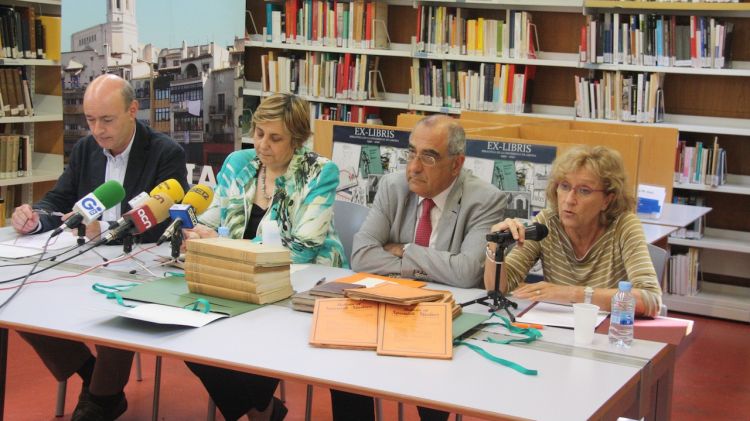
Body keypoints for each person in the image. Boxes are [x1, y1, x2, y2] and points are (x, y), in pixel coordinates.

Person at [11, 74, 188, 420]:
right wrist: (36, 217)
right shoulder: (85, 149)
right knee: (21, 305)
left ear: (132, 110)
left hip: (138, 267)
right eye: (90, 120)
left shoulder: (166, 153)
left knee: (117, 317)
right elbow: (60, 199)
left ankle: (101, 401)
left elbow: (164, 225)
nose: (97, 130)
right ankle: (94, 376)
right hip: (83, 263)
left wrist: (105, 228)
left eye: (106, 120)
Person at [182, 93, 345, 421]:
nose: (262, 145)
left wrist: (226, 246)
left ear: (297, 140)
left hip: (301, 283)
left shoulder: (319, 172)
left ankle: (261, 411)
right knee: (189, 339)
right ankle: (265, 410)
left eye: (275, 138)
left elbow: (303, 246)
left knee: (255, 342)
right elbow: (215, 215)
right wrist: (197, 232)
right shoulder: (238, 164)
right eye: (258, 134)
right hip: (238, 279)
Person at [338, 115, 507, 421]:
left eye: (428, 157)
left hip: (442, 315)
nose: (413, 167)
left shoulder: (484, 200)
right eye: (411, 153)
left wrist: (405, 251)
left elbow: (468, 272)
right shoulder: (393, 186)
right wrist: (437, 263)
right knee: (344, 359)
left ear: (456, 165)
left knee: (433, 374)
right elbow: (361, 255)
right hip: (387, 304)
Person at [485, 145, 662, 317]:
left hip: (608, 334)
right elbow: (498, 289)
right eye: (564, 186)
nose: (569, 200)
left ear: (607, 200)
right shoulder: (548, 222)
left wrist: (572, 294)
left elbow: (651, 300)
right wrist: (495, 243)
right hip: (555, 330)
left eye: (584, 191)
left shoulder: (624, 225)